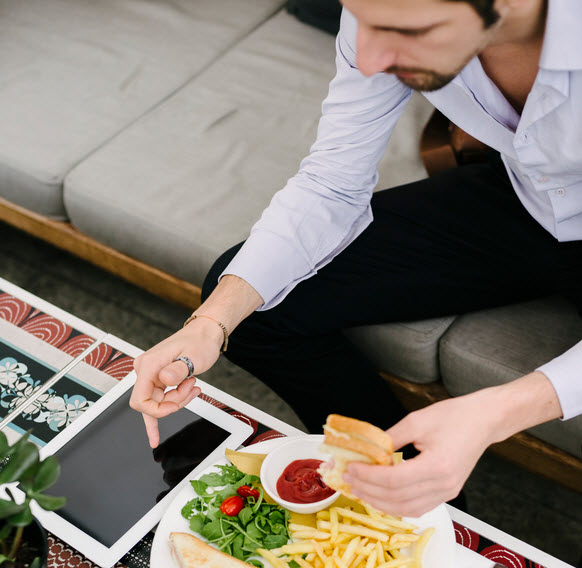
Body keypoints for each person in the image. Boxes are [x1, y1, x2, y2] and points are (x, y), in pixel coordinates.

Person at [130, 0, 582, 518]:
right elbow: (331, 182)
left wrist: (494, 413)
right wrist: (209, 324)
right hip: (523, 198)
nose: (367, 59)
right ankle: (412, 495)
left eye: (397, 29)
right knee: (249, 305)